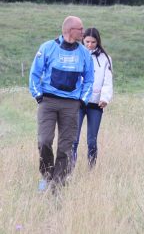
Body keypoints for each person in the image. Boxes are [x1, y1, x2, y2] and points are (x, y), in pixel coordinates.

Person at [29, 16, 94, 191]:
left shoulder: (84, 53)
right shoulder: (48, 48)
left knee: (66, 146)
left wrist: (82, 100)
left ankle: (58, 184)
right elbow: (35, 73)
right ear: (69, 30)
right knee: (44, 140)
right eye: (80, 29)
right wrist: (38, 96)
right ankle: (47, 176)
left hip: (71, 104)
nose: (83, 31)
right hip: (48, 102)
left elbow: (89, 79)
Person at [72, 27, 113, 168]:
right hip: (78, 103)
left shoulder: (105, 59)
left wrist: (105, 98)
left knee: (91, 140)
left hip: (96, 104)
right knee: (73, 139)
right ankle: (70, 167)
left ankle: (91, 168)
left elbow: (108, 80)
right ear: (83, 40)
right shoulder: (76, 54)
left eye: (93, 42)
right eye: (87, 41)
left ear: (98, 42)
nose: (90, 45)